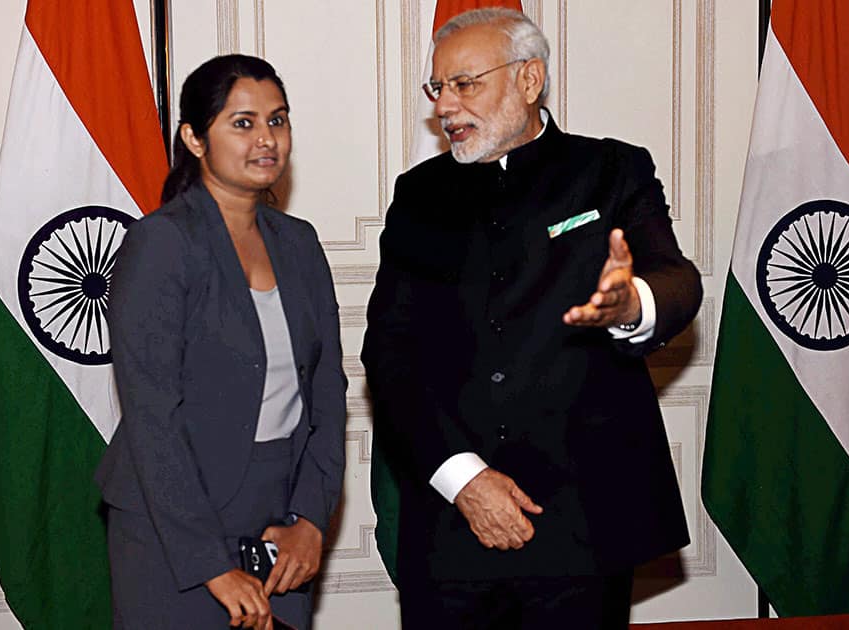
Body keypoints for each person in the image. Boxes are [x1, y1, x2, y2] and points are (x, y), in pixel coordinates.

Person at [361, 8, 702, 629]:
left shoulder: (610, 170)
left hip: (582, 524)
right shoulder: (418, 195)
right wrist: (463, 479)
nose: (446, 106)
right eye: (438, 89)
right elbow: (388, 353)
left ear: (528, 80)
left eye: (466, 84)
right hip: (451, 525)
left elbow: (676, 279)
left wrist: (633, 305)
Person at [95, 54, 347, 630]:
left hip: (278, 523)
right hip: (172, 528)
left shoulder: (300, 243)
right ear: (194, 137)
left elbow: (328, 393)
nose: (267, 139)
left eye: (278, 121)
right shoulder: (161, 242)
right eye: (243, 123)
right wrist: (210, 565)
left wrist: (311, 519)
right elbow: (151, 418)